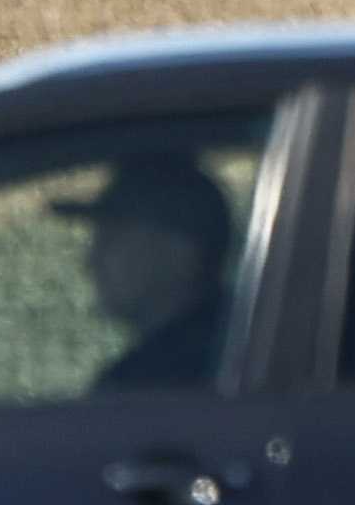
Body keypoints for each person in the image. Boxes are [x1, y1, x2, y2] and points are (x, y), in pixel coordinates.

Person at [59, 155, 237, 395]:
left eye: (112, 239)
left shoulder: (158, 381)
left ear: (180, 253)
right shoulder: (233, 345)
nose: (90, 263)